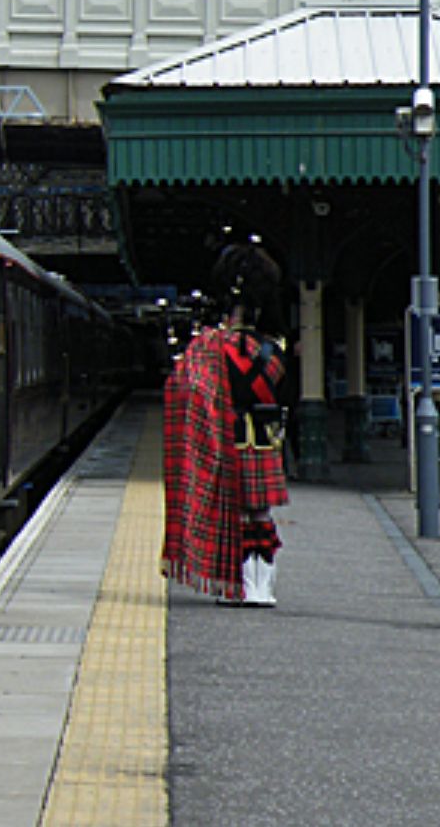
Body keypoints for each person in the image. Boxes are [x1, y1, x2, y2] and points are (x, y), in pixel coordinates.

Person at [163, 243, 290, 606]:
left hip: (225, 437)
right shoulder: (275, 346)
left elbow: (185, 391)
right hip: (265, 438)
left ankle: (236, 582)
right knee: (260, 514)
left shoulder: (209, 346)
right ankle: (261, 586)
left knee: (231, 516)